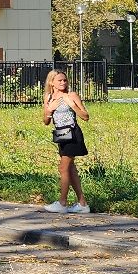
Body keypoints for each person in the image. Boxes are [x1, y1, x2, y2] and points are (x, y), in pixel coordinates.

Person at [42, 69, 90, 214]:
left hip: (73, 134)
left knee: (63, 168)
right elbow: (45, 121)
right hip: (61, 135)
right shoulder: (48, 97)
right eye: (60, 80)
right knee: (70, 169)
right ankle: (82, 203)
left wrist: (73, 106)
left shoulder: (71, 95)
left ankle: (62, 203)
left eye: (65, 80)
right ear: (52, 82)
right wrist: (49, 110)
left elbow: (86, 116)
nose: (63, 83)